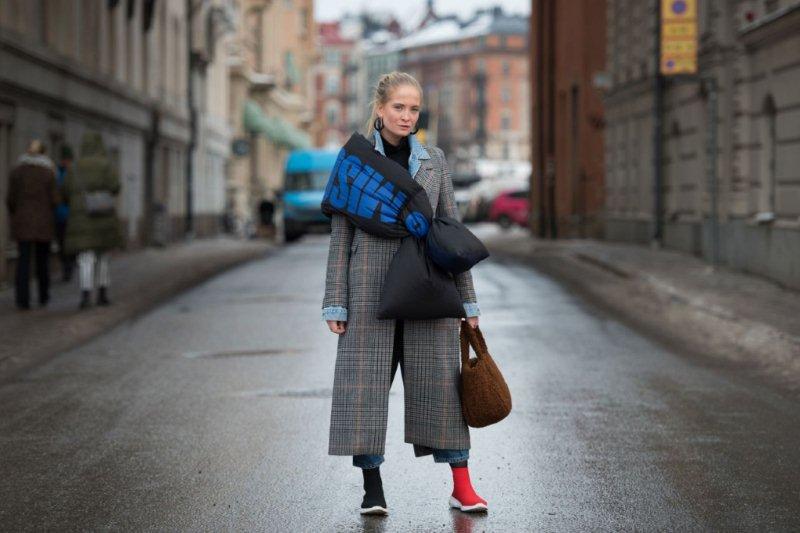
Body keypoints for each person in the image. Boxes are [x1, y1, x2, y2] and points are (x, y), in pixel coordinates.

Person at [322, 72, 487, 516]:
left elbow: (453, 237)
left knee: (443, 390)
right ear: (380, 108)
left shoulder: (433, 161)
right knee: (364, 391)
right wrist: (336, 300)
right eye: (398, 107)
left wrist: (468, 304)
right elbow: (341, 238)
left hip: (429, 285)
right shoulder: (353, 162)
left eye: (413, 109)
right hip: (367, 290)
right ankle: (372, 488)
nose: (406, 116)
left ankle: (462, 486)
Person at [63, 131, 122, 310]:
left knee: (85, 258)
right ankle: (102, 293)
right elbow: (115, 187)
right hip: (102, 217)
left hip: (81, 219)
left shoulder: (74, 167)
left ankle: (85, 294)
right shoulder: (106, 165)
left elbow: (65, 191)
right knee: (102, 256)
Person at [6, 140, 59, 310]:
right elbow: (55, 199)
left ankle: (23, 299)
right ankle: (43, 295)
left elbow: (11, 198)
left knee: (23, 261)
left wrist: (17, 212)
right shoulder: (48, 173)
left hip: (23, 222)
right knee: (42, 261)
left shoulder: (17, 171)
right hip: (43, 223)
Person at [55, 145, 75, 282]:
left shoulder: (73, 173)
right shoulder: (56, 173)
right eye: (64, 159)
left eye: (67, 159)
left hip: (71, 215)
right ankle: (65, 267)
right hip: (59, 215)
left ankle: (69, 268)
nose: (65, 162)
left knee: (70, 245)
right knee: (62, 244)